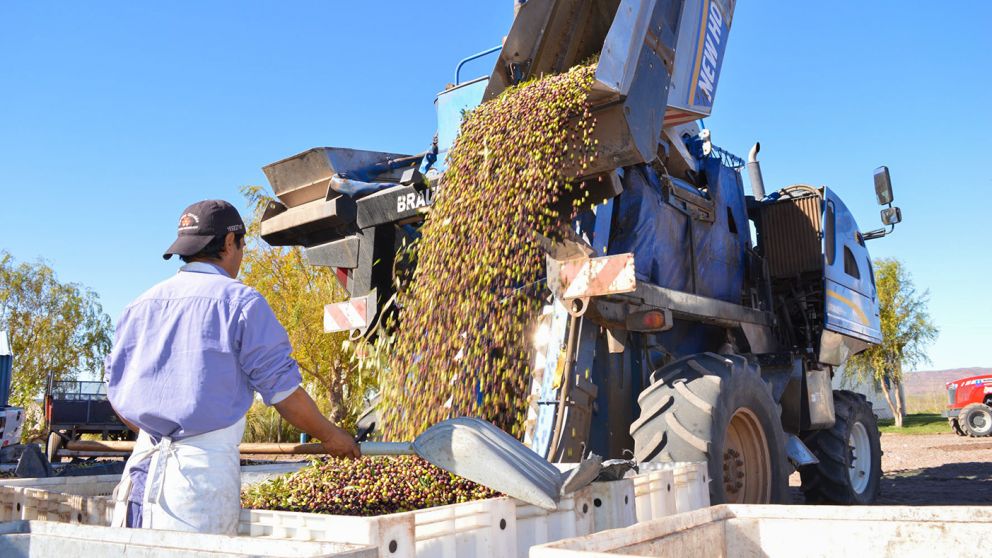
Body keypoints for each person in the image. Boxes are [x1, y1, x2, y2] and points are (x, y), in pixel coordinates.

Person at [105, 199, 360, 535]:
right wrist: (332, 436)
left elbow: (116, 392)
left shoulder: (139, 305)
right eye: (242, 245)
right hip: (197, 490)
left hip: (137, 483)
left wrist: (158, 431)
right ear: (229, 242)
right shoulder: (240, 302)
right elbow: (283, 394)